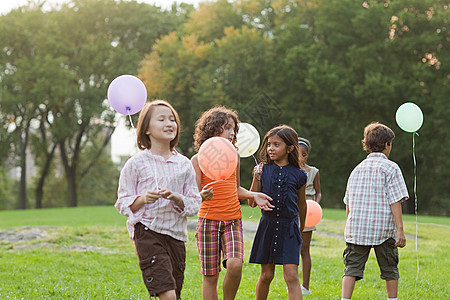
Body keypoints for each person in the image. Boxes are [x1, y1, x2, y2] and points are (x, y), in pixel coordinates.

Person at [115, 100, 202, 300]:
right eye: (161, 119)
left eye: (172, 119)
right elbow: (123, 201)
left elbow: (194, 202)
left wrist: (177, 198)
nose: (169, 123)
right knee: (168, 294)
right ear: (146, 129)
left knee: (175, 293)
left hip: (176, 236)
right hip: (147, 232)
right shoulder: (135, 164)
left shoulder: (184, 164)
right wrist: (143, 199)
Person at [191, 105, 273, 300]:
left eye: (233, 129)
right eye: (227, 127)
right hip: (207, 221)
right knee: (210, 277)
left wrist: (253, 195)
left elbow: (235, 189)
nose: (232, 133)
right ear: (213, 128)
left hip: (232, 220)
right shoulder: (197, 159)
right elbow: (194, 195)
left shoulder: (234, 156)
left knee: (235, 265)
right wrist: (202, 195)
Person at [341, 122, 409, 300]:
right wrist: (400, 230)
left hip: (357, 229)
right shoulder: (391, 168)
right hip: (383, 231)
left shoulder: (356, 170)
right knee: (390, 269)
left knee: (351, 268)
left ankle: (344, 298)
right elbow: (395, 200)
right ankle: (392, 299)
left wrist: (350, 226)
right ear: (387, 144)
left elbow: (349, 202)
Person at [248, 125, 307, 300]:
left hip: (289, 229)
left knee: (291, 276)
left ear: (289, 148)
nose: (270, 148)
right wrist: (256, 177)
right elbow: (251, 202)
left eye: (276, 144)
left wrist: (301, 227)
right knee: (266, 276)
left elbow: (302, 204)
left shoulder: (300, 175)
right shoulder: (262, 170)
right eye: (268, 144)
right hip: (267, 226)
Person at [297, 137, 322, 296]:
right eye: (298, 154)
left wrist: (316, 204)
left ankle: (305, 287)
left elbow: (318, 192)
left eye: (304, 155)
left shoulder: (313, 172)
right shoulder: (289, 170)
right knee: (292, 249)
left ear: (308, 155)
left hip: (308, 213)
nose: (301, 157)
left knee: (304, 249)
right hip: (292, 212)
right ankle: (293, 283)